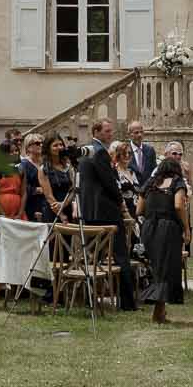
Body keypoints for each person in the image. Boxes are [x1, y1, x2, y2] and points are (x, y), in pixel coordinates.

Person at [77, 122, 137, 310]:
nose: (110, 134)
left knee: (92, 258)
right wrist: (121, 204)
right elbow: (109, 183)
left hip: (90, 210)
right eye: (107, 131)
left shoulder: (86, 151)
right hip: (106, 211)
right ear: (96, 132)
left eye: (111, 131)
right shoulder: (99, 152)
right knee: (120, 255)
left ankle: (88, 299)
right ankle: (127, 302)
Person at [140, 157, 191, 324]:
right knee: (166, 269)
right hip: (167, 229)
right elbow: (178, 205)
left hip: (148, 228)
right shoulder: (178, 182)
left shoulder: (151, 182)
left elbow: (139, 209)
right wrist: (186, 228)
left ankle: (160, 312)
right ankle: (158, 313)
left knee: (156, 269)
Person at [38, 135, 76, 224]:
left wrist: (64, 204)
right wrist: (61, 215)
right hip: (53, 212)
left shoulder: (68, 166)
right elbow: (48, 196)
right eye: (55, 145)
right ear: (48, 149)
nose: (59, 147)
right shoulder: (43, 169)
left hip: (67, 207)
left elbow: (73, 189)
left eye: (61, 144)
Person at [19, 134, 51, 222]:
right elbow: (20, 187)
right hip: (32, 204)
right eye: (37, 143)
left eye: (42, 143)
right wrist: (37, 190)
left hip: (47, 204)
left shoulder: (46, 163)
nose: (41, 145)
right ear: (28, 147)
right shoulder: (24, 164)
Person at [126, 121, 157, 191]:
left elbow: (154, 171)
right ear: (129, 134)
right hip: (131, 192)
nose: (140, 135)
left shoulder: (150, 150)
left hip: (148, 192)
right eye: (136, 132)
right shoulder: (125, 150)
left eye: (141, 132)